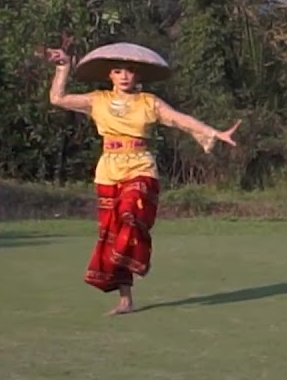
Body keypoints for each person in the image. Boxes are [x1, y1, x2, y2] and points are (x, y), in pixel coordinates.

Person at [44, 38, 240, 316]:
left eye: (130, 70)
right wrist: (63, 67)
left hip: (140, 166)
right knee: (112, 233)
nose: (124, 76)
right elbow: (58, 98)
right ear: (109, 74)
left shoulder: (149, 102)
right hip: (108, 169)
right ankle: (126, 299)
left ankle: (131, 259)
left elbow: (180, 119)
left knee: (130, 213)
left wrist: (213, 132)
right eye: (118, 70)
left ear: (138, 74)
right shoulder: (97, 100)